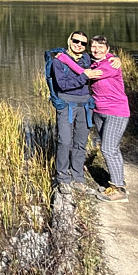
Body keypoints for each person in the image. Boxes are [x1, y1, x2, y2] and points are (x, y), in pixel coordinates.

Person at [55, 35, 130, 202]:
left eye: (101, 48)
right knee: (111, 148)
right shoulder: (95, 61)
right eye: (94, 47)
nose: (96, 50)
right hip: (99, 111)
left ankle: (119, 189)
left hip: (116, 111)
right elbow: (86, 69)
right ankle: (116, 184)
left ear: (107, 49)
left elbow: (86, 74)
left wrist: (65, 60)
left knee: (108, 149)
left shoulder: (110, 64)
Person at [50, 31, 95, 195]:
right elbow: (62, 85)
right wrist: (85, 76)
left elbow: (102, 56)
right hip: (66, 105)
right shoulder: (59, 60)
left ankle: (78, 178)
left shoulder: (86, 59)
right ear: (69, 40)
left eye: (83, 43)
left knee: (80, 143)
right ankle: (62, 178)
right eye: (76, 41)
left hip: (85, 105)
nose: (79, 45)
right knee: (65, 141)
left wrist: (115, 58)